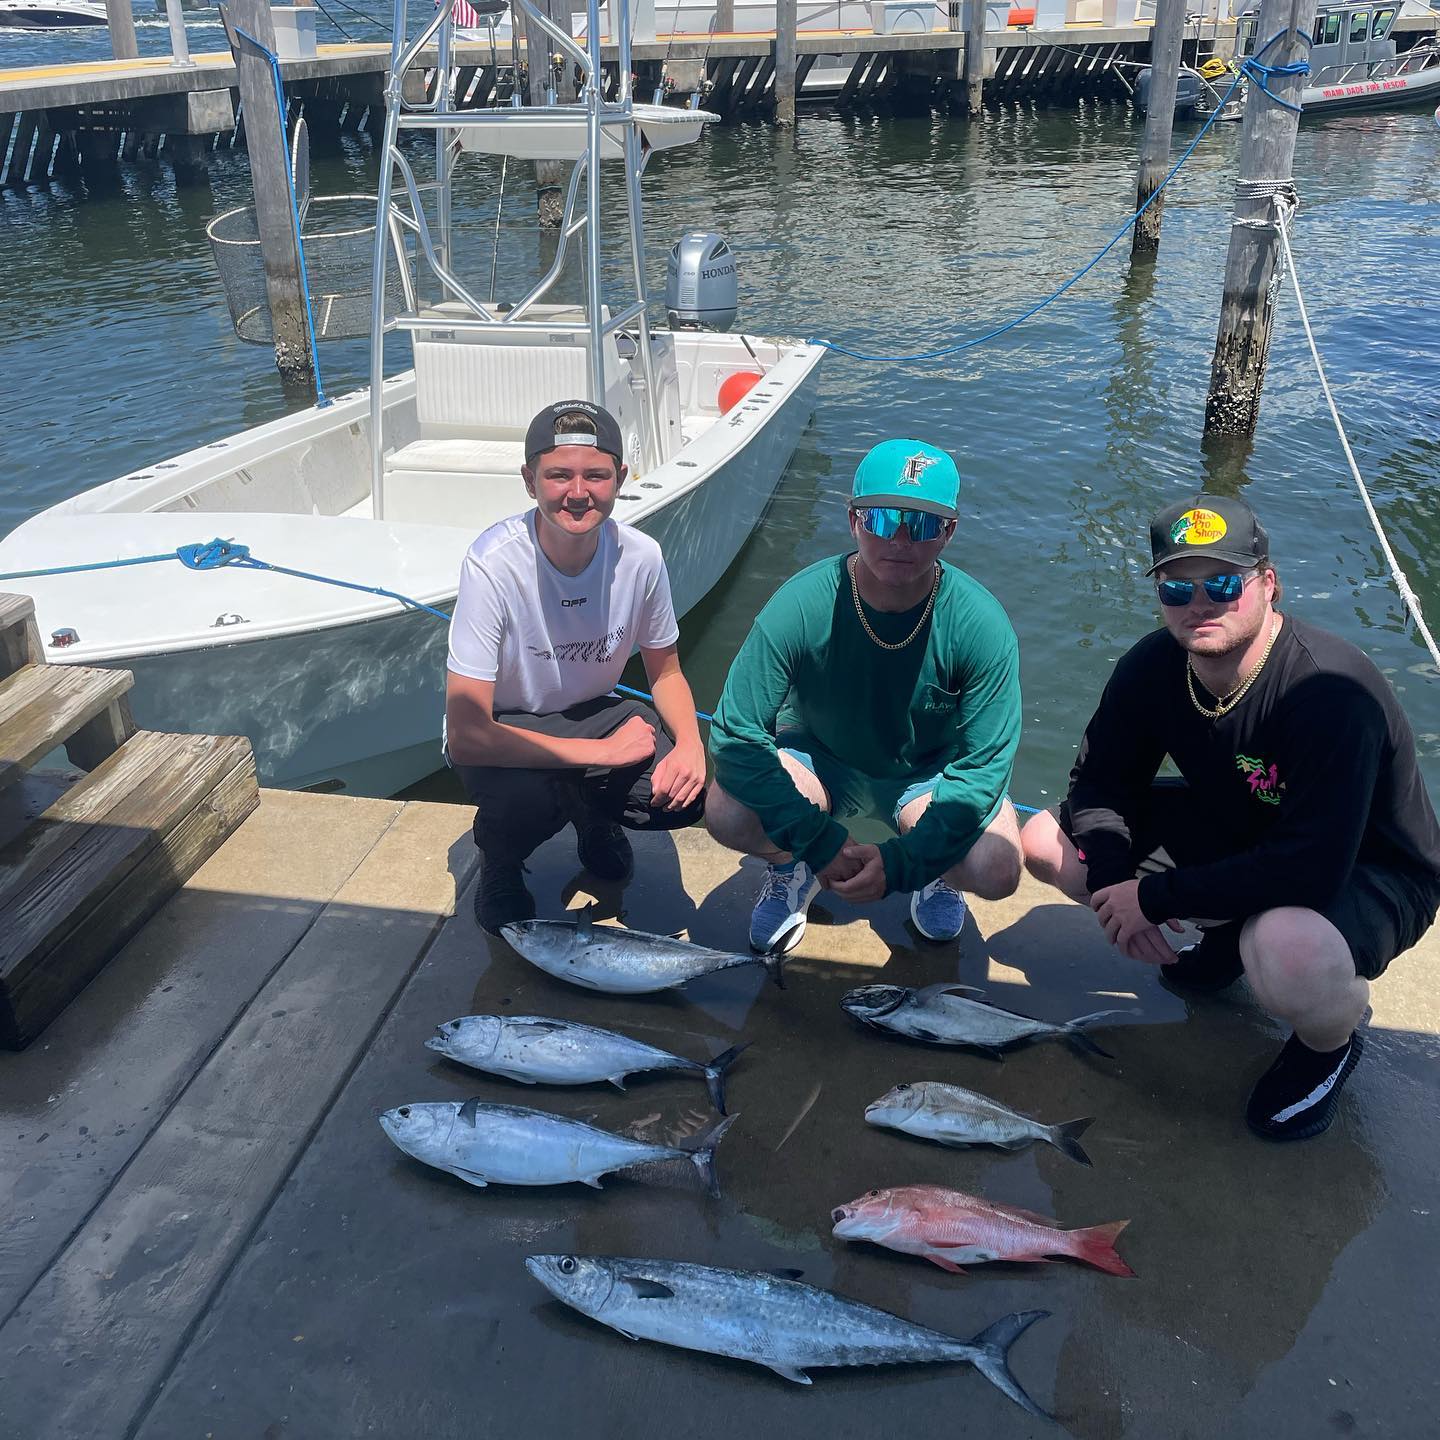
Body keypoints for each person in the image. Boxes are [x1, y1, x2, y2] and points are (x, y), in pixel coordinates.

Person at [1021, 494, 1440, 1141]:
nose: (1199, 604)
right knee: (1047, 839)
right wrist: (1113, 887)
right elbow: (1101, 781)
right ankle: (1225, 940)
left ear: (1268, 585)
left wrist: (1155, 897)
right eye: (1176, 588)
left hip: (1369, 868)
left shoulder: (1329, 693)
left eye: (1222, 583)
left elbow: (1311, 868)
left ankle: (1328, 1044)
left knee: (1285, 948)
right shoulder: (1154, 664)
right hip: (1245, 825)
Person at [705, 439, 1023, 954]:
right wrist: (816, 841)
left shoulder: (981, 624)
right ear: (853, 520)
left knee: (997, 866)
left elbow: (985, 766)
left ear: (949, 532)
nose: (899, 539)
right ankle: (793, 867)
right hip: (819, 755)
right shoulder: (801, 603)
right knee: (726, 810)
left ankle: (934, 872)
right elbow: (736, 735)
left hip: (927, 771)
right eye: (881, 519)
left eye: (921, 524)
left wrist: (907, 862)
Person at [445, 399, 707, 933]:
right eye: (559, 475)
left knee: (683, 792)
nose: (578, 492)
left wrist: (692, 747)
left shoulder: (642, 557)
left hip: (591, 710)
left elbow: (666, 672)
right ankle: (502, 861)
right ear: (529, 479)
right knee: (525, 799)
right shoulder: (492, 563)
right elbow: (468, 734)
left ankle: (593, 817)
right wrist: (599, 755)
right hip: (505, 722)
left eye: (596, 475)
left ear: (621, 477)